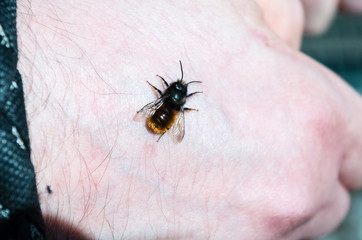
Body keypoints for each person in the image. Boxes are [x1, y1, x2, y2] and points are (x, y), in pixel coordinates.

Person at [14, 0, 362, 239]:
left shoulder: (170, 101)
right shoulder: (175, 103)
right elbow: (169, 108)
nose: (175, 89)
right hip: (163, 120)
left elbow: (163, 104)